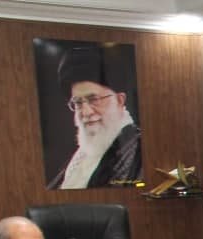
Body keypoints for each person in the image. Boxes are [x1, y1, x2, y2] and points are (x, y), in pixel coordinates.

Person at [48, 45, 142, 189]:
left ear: (119, 100)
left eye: (94, 99)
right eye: (78, 102)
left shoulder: (139, 150)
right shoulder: (80, 157)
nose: (86, 112)